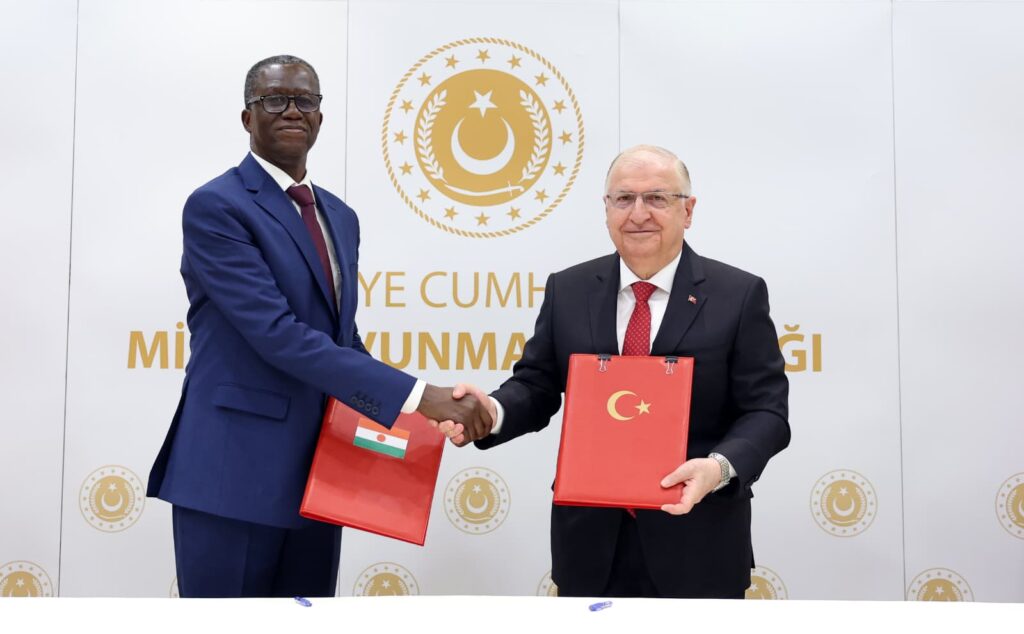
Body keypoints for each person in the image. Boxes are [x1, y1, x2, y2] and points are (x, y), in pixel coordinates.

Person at [148, 55, 491, 598]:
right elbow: (277, 334)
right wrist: (421, 396)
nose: (292, 110)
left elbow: (340, 339)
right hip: (232, 475)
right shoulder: (217, 206)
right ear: (247, 117)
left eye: (305, 100)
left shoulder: (339, 216)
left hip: (321, 476)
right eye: (274, 99)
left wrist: (424, 412)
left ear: (320, 117)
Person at [438, 145, 790, 598]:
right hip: (589, 546)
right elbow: (536, 384)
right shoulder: (569, 289)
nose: (638, 214)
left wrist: (718, 469)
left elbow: (766, 413)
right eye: (623, 199)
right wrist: (492, 411)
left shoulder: (737, 295)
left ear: (688, 211)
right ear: (606, 209)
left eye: (657, 198)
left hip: (698, 540)